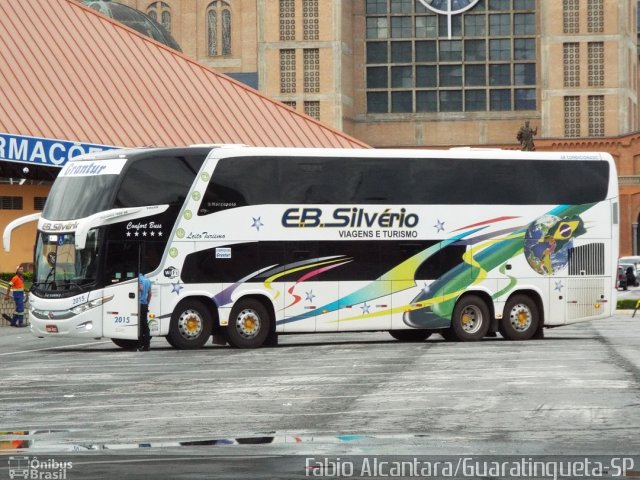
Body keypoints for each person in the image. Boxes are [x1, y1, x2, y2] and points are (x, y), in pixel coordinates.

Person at [138, 273, 152, 351]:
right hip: (145, 304)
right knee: (145, 325)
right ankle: (147, 345)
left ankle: (140, 344)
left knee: (139, 325)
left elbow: (141, 288)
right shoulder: (148, 280)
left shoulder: (138, 279)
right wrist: (147, 303)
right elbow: (150, 294)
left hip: (139, 304)